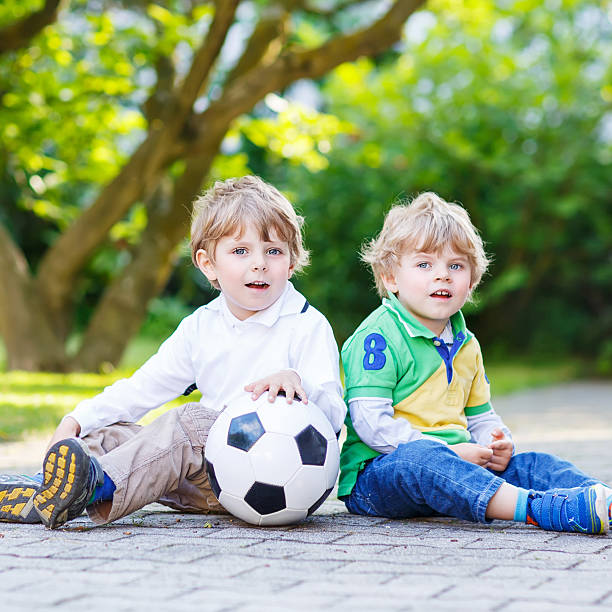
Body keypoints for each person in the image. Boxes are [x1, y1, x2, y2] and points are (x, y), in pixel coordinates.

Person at [1, 175, 345, 528]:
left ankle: (93, 488)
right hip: (203, 476)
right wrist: (75, 420)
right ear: (208, 263)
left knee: (190, 422)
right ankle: (53, 491)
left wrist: (298, 382)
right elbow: (143, 388)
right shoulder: (202, 326)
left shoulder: (307, 326)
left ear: (291, 263)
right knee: (106, 434)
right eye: (241, 251)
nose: (259, 263)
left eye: (273, 251)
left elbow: (333, 416)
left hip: (274, 482)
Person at [339, 192, 611, 535]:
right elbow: (371, 424)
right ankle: (537, 509)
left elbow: (481, 415)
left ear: (472, 280)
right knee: (426, 461)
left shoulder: (466, 344)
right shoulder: (379, 337)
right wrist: (451, 450)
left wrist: (494, 441)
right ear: (391, 277)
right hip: (381, 475)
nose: (443, 276)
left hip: (460, 465)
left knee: (533, 465)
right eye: (425, 265)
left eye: (456, 265)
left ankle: (599, 502)